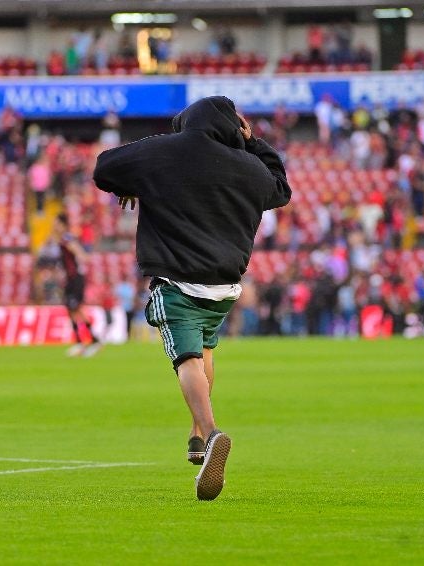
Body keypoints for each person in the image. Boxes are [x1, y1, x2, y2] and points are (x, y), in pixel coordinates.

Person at [93, 96, 291, 500]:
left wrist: (133, 182)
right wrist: (253, 142)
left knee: (185, 358)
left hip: (177, 280)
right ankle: (197, 436)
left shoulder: (164, 151)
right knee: (204, 351)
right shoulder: (250, 168)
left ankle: (213, 430)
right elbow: (281, 188)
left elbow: (104, 167)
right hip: (224, 287)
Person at [54, 214, 101, 357]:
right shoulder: (62, 239)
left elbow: (80, 253)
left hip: (75, 279)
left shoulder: (67, 238)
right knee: (70, 309)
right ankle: (79, 342)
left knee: (77, 308)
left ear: (62, 224)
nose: (54, 226)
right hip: (70, 279)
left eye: (56, 223)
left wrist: (81, 256)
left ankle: (94, 340)